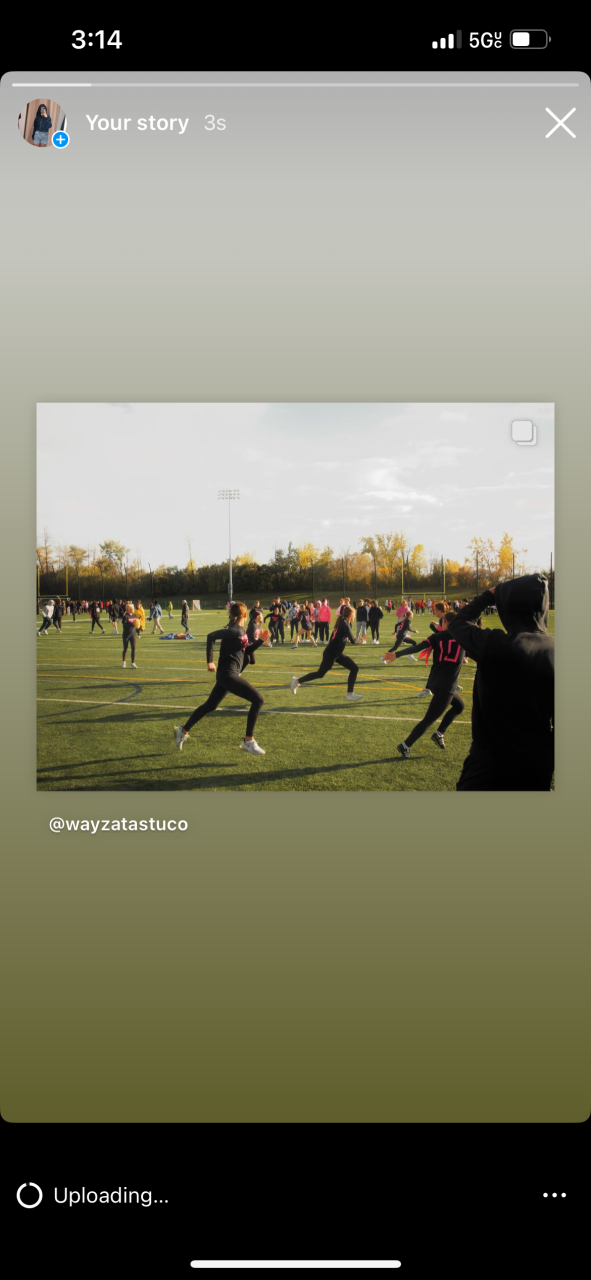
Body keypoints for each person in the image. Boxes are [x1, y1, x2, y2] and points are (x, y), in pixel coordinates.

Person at [446, 578, 554, 790]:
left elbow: (458, 623)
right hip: (536, 765)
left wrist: (488, 596)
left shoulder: (496, 644)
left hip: (489, 765)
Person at [173, 601, 270, 756]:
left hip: (228, 675)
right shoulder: (234, 630)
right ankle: (248, 740)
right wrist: (209, 661)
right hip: (228, 675)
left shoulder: (240, 631)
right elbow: (211, 636)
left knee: (210, 705)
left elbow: (246, 651)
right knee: (258, 700)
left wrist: (260, 641)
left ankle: (182, 731)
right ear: (245, 614)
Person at [385, 612, 466, 758]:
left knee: (459, 706)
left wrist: (397, 654)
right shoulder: (463, 637)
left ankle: (439, 733)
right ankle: (405, 745)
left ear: (446, 621)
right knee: (429, 719)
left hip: (434, 682)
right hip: (446, 685)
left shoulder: (437, 637)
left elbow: (417, 648)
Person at [290, 605, 362, 701]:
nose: (355, 616)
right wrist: (360, 640)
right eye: (354, 614)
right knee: (320, 674)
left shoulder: (342, 621)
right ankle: (297, 681)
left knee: (354, 668)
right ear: (350, 614)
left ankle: (350, 694)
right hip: (331, 653)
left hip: (336, 653)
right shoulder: (345, 624)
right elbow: (353, 641)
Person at [121, 602, 139, 668]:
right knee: (125, 648)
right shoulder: (125, 616)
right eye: (132, 608)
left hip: (133, 634)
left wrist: (138, 627)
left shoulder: (134, 615)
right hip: (126, 634)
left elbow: (136, 625)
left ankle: (133, 663)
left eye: (133, 608)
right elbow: (124, 626)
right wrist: (132, 623)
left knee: (133, 648)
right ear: (128, 609)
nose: (133, 609)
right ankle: (123, 662)